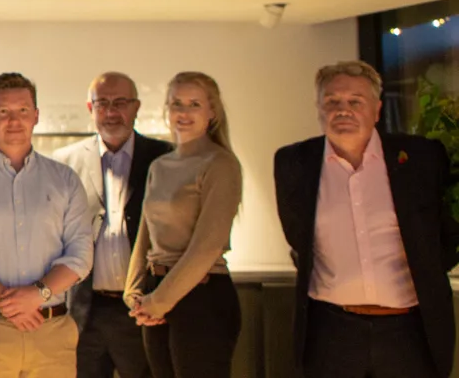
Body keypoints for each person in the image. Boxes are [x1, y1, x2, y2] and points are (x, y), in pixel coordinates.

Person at [275, 61, 459, 378]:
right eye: (332, 101)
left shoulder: (421, 157)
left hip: (410, 332)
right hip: (331, 332)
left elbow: (444, 236)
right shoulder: (294, 162)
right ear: (318, 108)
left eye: (355, 102)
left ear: (376, 109)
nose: (342, 110)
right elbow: (298, 239)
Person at [0, 73, 93, 378]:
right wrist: (10, 303)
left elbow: (80, 255)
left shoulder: (65, 180)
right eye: (3, 112)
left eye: (23, 110)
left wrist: (37, 295)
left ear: (36, 115)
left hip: (52, 332)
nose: (14, 120)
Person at [120, 72, 243, 377]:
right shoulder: (160, 166)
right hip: (156, 292)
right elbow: (145, 238)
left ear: (212, 112)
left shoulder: (221, 164)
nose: (184, 113)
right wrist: (134, 292)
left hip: (202, 298)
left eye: (194, 104)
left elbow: (207, 246)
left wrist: (160, 301)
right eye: (177, 103)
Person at [52, 72, 171, 378]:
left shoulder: (166, 159)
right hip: (83, 311)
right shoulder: (63, 163)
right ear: (90, 109)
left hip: (144, 308)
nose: (111, 111)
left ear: (136, 107)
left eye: (120, 102)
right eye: (102, 102)